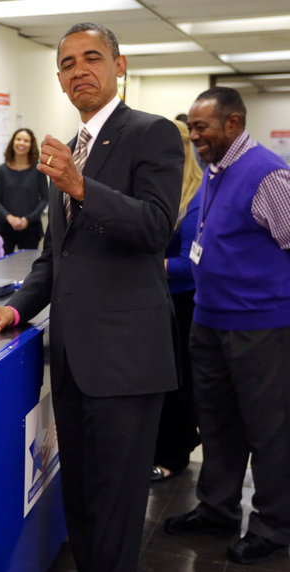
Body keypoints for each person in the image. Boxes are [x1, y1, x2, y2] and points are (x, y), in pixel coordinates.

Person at [0, 22, 182, 572]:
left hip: (125, 358)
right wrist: (14, 307)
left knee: (110, 503)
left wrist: (83, 187)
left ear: (120, 65)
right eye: (67, 64)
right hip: (78, 358)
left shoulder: (149, 134)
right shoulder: (75, 147)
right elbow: (54, 261)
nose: (78, 70)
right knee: (89, 498)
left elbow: (152, 228)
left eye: (92, 58)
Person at [164, 87, 290, 565]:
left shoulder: (267, 174)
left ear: (233, 123)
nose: (194, 136)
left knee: (269, 429)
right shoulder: (218, 170)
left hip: (260, 328)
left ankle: (274, 525)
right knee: (216, 423)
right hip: (210, 320)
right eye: (192, 127)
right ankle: (217, 508)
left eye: (202, 127)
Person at [151, 120, 203, 483]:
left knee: (178, 383)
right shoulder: (164, 188)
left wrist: (145, 264)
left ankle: (173, 456)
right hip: (159, 301)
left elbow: (189, 264)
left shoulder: (196, 196)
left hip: (183, 304)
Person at [0, 128, 49, 253]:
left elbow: (45, 199)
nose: (21, 143)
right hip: (5, 226)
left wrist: (27, 219)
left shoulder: (38, 169)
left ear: (31, 144)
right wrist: (9, 217)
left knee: (27, 268)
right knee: (3, 268)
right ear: (13, 142)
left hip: (30, 227)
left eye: (26, 140)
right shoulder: (2, 170)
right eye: (18, 139)